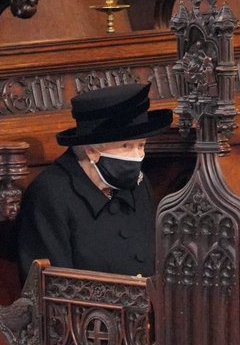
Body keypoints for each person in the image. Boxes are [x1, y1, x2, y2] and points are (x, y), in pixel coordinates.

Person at [17, 83, 172, 280]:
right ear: (91, 151)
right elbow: (50, 286)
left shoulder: (139, 184)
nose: (137, 156)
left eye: (141, 145)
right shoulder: (49, 195)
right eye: (126, 146)